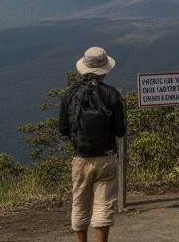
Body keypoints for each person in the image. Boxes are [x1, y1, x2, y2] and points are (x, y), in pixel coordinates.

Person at [59, 47, 127, 242]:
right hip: (106, 158)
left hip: (80, 158)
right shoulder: (112, 94)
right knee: (103, 205)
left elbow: (63, 128)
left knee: (79, 204)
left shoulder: (70, 94)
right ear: (104, 70)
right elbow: (120, 130)